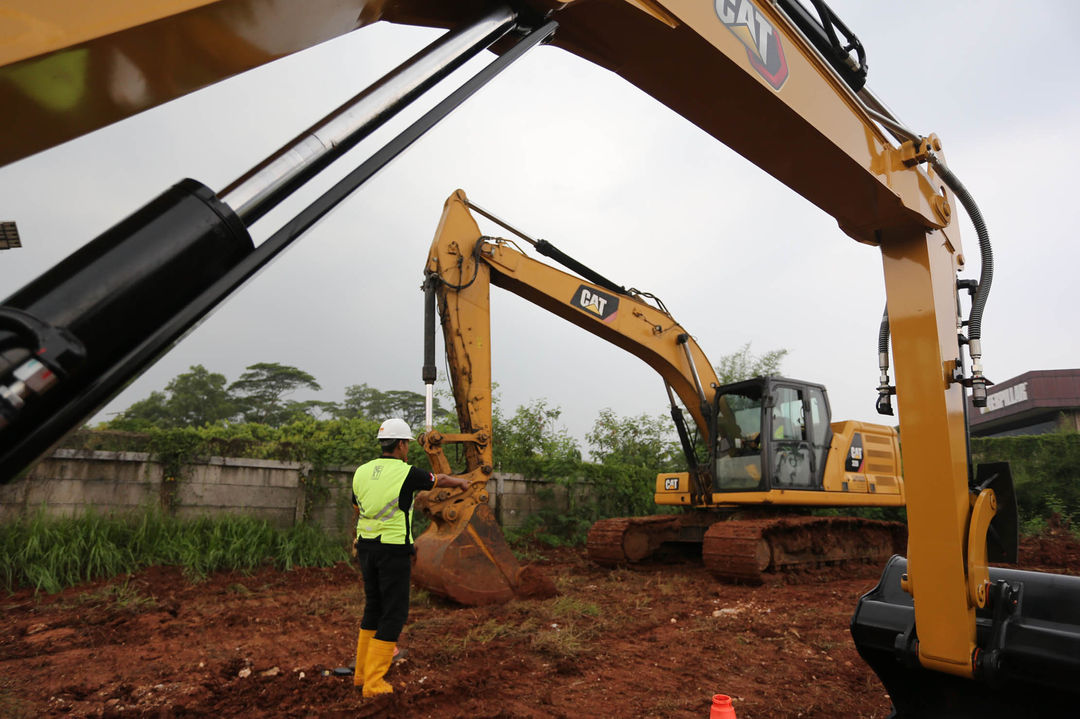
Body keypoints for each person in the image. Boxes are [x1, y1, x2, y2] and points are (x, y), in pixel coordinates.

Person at [351, 417, 468, 697]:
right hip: (392, 550)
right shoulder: (406, 472)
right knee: (394, 613)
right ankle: (374, 683)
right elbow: (437, 480)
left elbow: (357, 509)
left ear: (383, 443)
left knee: (373, 609)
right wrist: (462, 483)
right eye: (407, 444)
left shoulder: (361, 471)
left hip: (366, 548)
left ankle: (361, 675)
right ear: (402, 444)